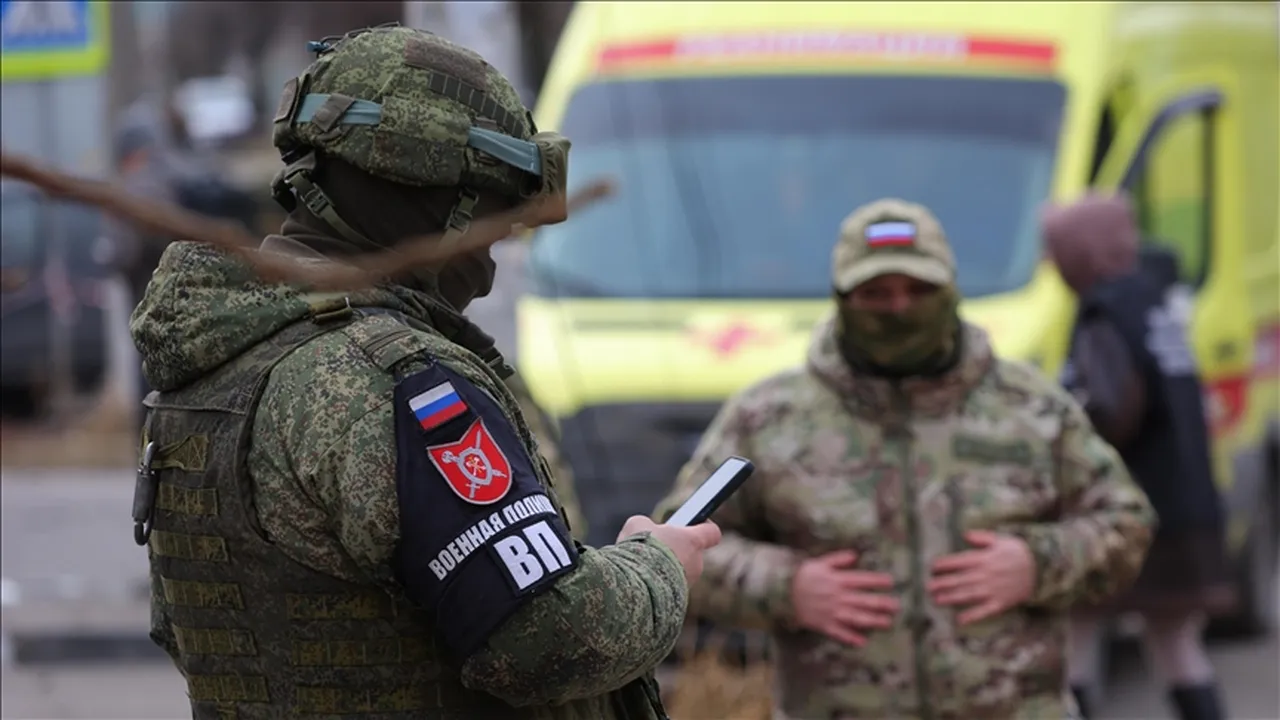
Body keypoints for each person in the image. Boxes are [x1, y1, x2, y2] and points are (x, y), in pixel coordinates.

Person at [128, 25, 719, 719]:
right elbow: (546, 636)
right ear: (435, 201)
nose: (492, 267)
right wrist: (658, 568)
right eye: (493, 224)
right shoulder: (388, 383)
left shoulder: (216, 361)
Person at [652, 197, 1157, 720]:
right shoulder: (767, 418)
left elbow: (1126, 520)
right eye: (876, 294)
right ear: (842, 299)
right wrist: (786, 587)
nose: (899, 309)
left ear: (951, 291)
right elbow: (673, 543)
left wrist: (1038, 563)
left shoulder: (1030, 406)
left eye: (919, 291)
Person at [1044, 193, 1232, 720]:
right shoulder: (1152, 302)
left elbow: (1108, 408)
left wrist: (1064, 443)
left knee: (1076, 631)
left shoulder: (1106, 313)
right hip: (1187, 508)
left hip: (1132, 512)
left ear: (1079, 253)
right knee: (1174, 641)